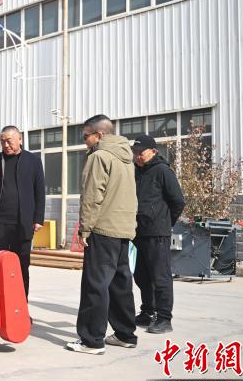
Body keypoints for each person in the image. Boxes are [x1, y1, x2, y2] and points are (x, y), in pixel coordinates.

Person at [66, 115, 138, 355]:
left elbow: (91, 196)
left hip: (102, 228)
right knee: (120, 283)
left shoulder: (99, 157)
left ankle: (91, 340)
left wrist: (84, 229)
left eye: (86, 136)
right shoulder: (126, 158)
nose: (84, 141)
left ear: (99, 135)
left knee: (95, 285)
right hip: (122, 228)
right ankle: (125, 334)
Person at [131, 134, 185, 334]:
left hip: (157, 233)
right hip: (138, 232)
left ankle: (164, 318)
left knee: (160, 277)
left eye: (141, 153)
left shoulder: (163, 171)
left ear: (153, 151)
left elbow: (178, 202)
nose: (137, 156)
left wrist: (164, 223)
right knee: (142, 276)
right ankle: (148, 312)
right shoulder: (136, 171)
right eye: (135, 153)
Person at [0, 125, 45, 299]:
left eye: (9, 141)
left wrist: (38, 218)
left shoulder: (33, 161)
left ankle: (20, 302)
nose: (6, 145)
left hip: (23, 223)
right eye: (2, 141)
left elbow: (39, 191)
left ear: (20, 139)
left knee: (22, 264)